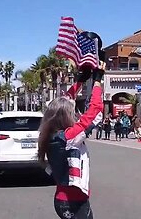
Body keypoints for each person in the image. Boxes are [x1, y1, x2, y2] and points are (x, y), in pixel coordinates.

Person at [38, 65, 104, 219]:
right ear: (66, 116)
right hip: (74, 201)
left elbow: (63, 102)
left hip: (64, 199)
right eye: (72, 112)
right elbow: (95, 109)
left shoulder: (49, 135)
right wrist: (97, 81)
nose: (75, 114)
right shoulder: (70, 137)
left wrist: (81, 81)